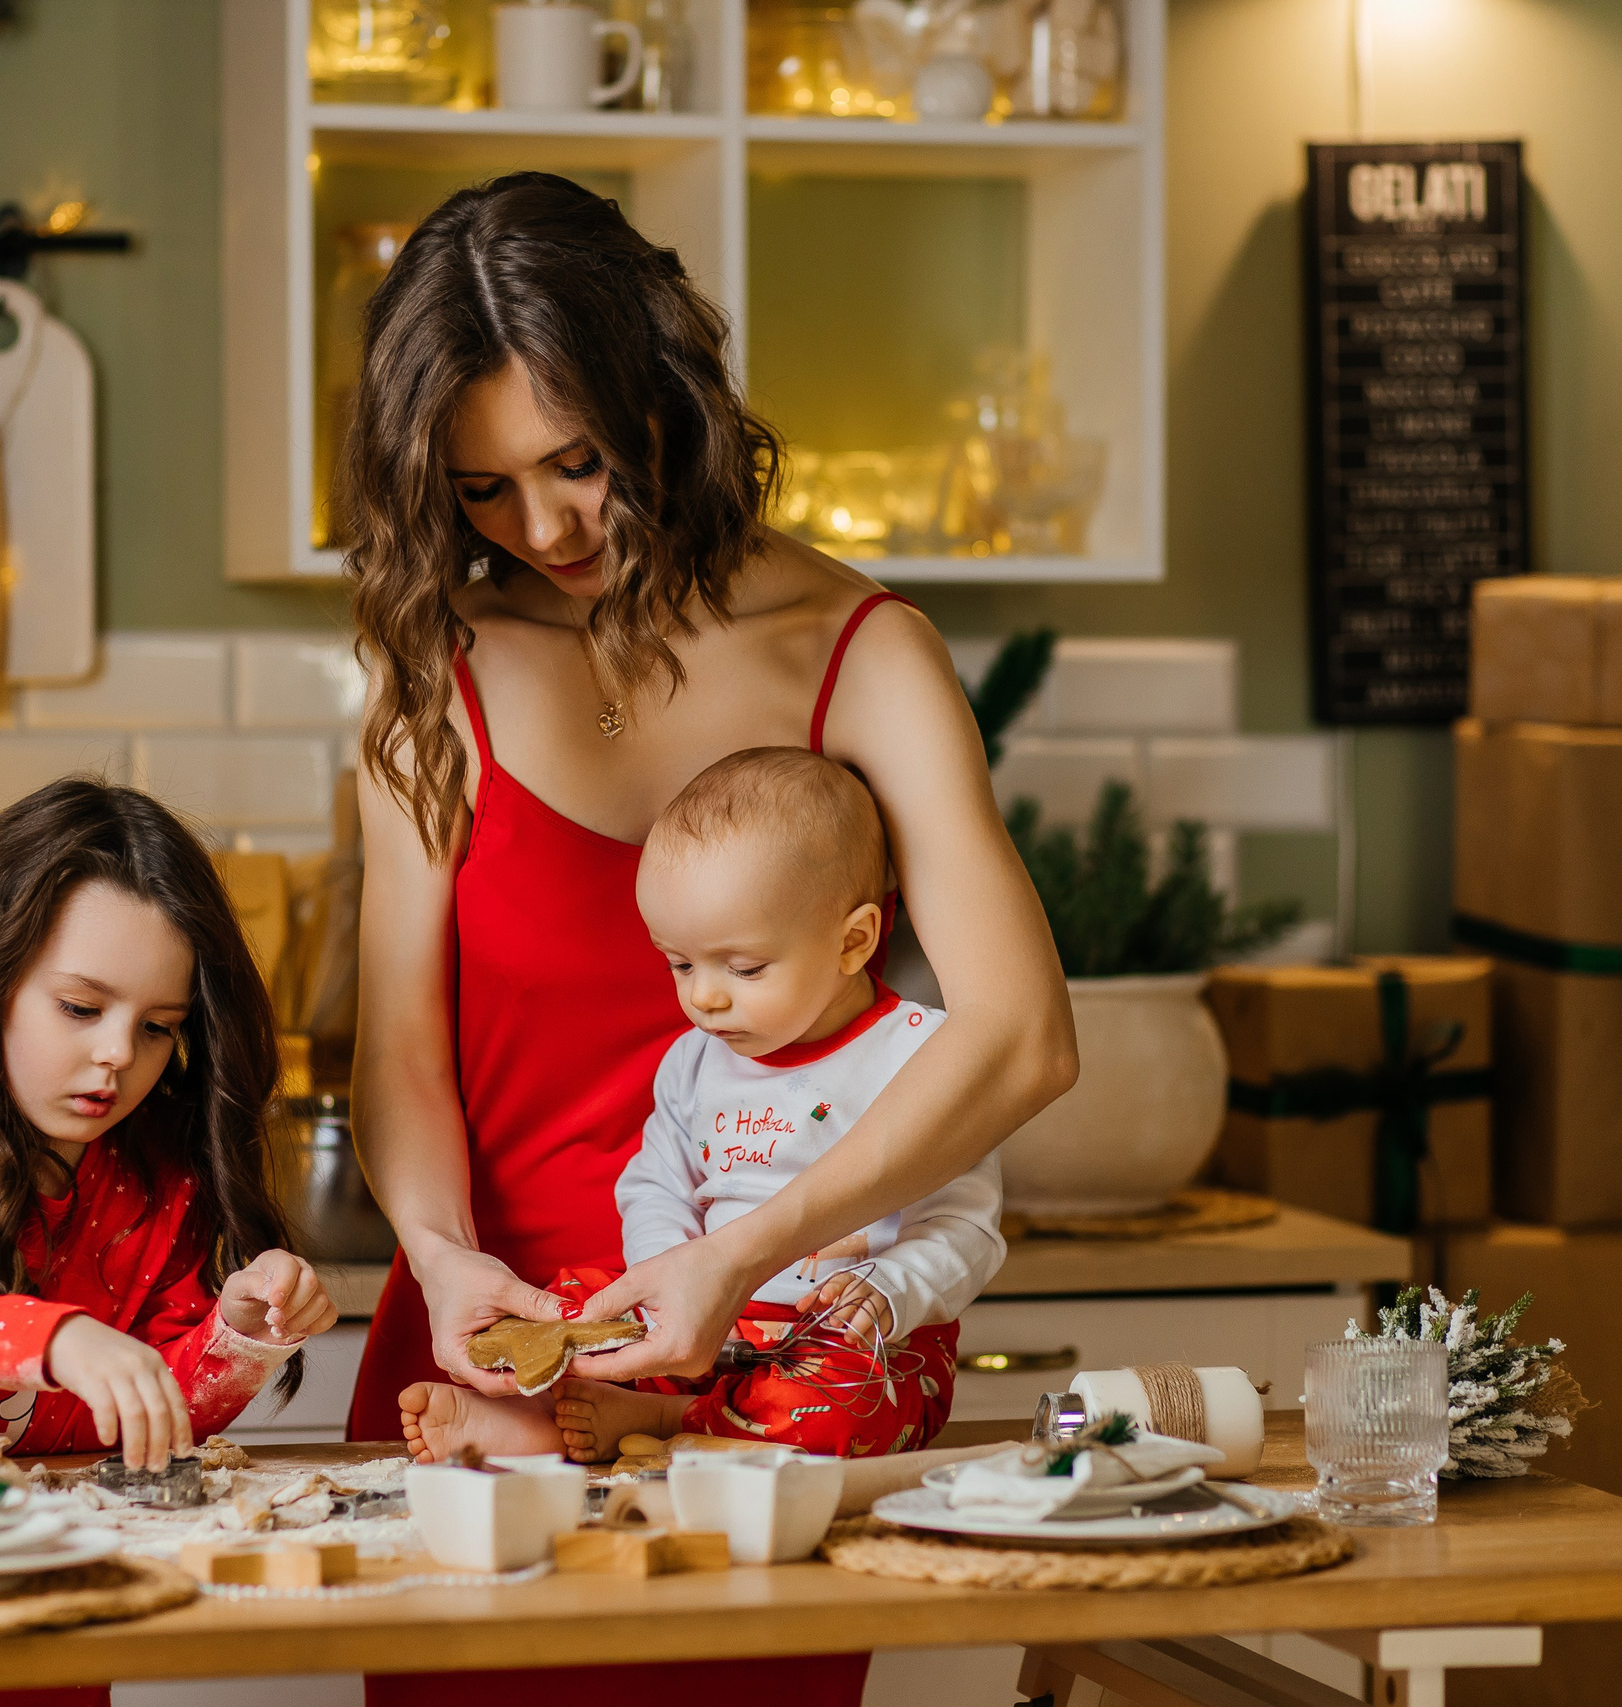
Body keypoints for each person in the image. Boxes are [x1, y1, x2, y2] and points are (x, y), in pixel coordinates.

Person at [344, 172, 1077, 1705]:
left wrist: (740, 1252)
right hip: (486, 1377)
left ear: (661, 397)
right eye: (482, 490)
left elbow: (1023, 1034)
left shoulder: (859, 652)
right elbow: (400, 1046)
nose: (541, 526)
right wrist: (436, 1252)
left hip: (766, 1392)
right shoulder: (437, 667)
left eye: (578, 461)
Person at [396, 746, 1003, 1464]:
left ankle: (662, 1420)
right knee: (572, 1300)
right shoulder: (693, 1061)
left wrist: (890, 1289)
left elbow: (967, 1227)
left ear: (855, 940)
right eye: (680, 963)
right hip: (706, 1328)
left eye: (744, 968)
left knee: (849, 1403)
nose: (704, 997)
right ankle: (537, 1417)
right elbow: (655, 1182)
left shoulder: (923, 1054)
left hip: (845, 1336)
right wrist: (663, 1275)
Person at [0, 778, 338, 1472]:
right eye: (80, 1007)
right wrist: (60, 1339)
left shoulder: (162, 1173)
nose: (119, 1052)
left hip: (79, 1537)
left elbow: (160, 1416)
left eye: (157, 1027)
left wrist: (236, 1333)